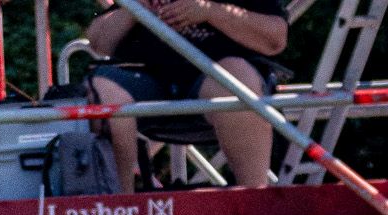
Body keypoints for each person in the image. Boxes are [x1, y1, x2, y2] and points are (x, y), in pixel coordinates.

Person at [86, 0, 289, 192]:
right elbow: (98, 42)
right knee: (100, 91)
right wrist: (134, 9)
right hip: (149, 79)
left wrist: (209, 11)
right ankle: (118, 207)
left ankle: (254, 198)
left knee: (237, 83)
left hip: (217, 79)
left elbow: (275, 39)